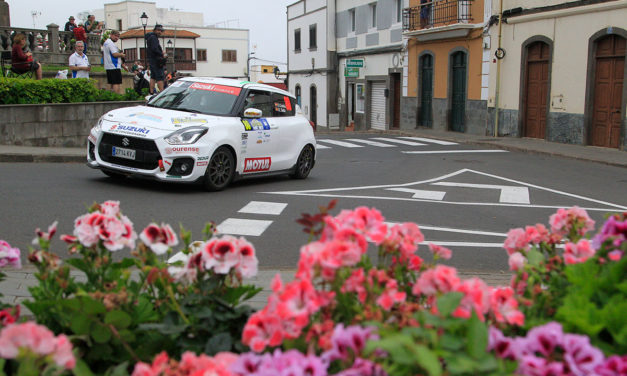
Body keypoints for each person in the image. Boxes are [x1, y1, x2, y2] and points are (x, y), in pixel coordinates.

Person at [145, 24, 167, 94]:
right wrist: (161, 54)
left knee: (153, 77)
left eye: (161, 31)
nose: (160, 32)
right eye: (158, 30)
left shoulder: (150, 37)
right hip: (157, 60)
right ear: (155, 30)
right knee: (160, 77)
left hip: (152, 60)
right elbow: (154, 49)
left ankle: (151, 92)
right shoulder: (154, 38)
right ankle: (162, 93)